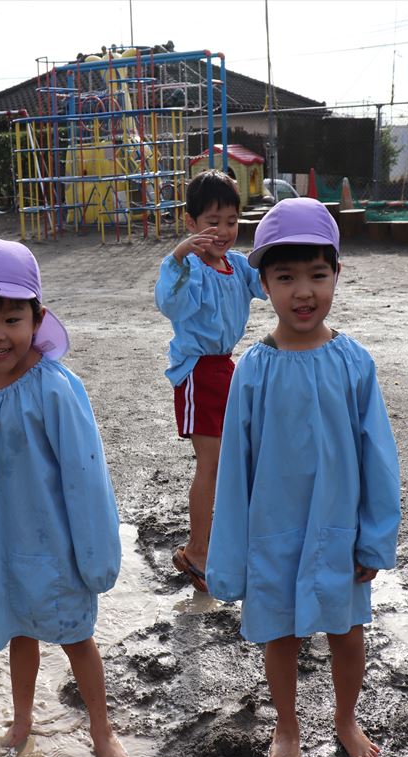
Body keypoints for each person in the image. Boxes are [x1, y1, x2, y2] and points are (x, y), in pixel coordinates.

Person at [206, 198, 401, 757]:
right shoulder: (254, 369)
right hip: (274, 531)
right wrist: (231, 557)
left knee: (347, 631)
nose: (303, 292)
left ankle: (345, 719)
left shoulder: (354, 362)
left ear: (337, 273)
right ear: (264, 283)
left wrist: (373, 539)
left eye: (317, 274)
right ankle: (286, 727)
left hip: (339, 530)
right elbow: (234, 468)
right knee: (282, 634)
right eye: (286, 277)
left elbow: (378, 457)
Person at [0, 240, 128, 757]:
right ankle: (22, 719)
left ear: (37, 319)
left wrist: (96, 558)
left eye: (12, 319)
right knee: (19, 631)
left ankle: (102, 731)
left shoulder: (55, 390)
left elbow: (86, 479)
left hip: (54, 548)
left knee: (77, 637)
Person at [153, 168, 266, 592]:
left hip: (225, 368)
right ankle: (197, 550)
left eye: (231, 221)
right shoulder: (190, 267)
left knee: (234, 458)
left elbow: (268, 282)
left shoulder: (236, 265)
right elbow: (169, 304)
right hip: (198, 371)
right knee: (212, 462)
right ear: (191, 223)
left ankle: (221, 542)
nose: (222, 231)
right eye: (212, 222)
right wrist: (179, 257)